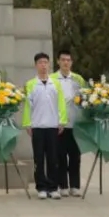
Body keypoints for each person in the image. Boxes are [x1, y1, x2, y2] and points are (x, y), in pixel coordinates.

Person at [23, 52, 67, 200]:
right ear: (36, 65)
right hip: (37, 126)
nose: (43, 65)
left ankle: (53, 187)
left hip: (53, 125)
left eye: (45, 62)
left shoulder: (56, 84)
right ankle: (41, 187)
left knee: (53, 158)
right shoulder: (30, 84)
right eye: (40, 62)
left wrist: (62, 121)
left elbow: (61, 104)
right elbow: (28, 106)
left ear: (49, 64)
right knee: (39, 158)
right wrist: (27, 124)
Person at [52, 50, 87, 196]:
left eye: (68, 60)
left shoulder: (78, 79)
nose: (66, 62)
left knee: (75, 156)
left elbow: (85, 98)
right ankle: (63, 185)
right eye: (63, 60)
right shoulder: (52, 78)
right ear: (58, 62)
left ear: (72, 62)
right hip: (59, 124)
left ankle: (75, 185)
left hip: (75, 123)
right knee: (60, 156)